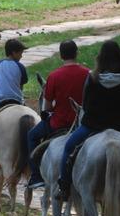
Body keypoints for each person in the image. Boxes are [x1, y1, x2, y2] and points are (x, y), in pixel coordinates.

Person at [57, 39, 120, 201]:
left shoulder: (92, 77)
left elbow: (86, 104)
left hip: (92, 126)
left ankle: (64, 186)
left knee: (68, 147)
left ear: (101, 57)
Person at [26, 40, 90, 190]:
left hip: (58, 123)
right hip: (83, 125)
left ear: (61, 55)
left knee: (32, 136)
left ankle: (36, 176)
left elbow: (47, 107)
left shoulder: (54, 76)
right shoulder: (88, 74)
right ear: (77, 53)